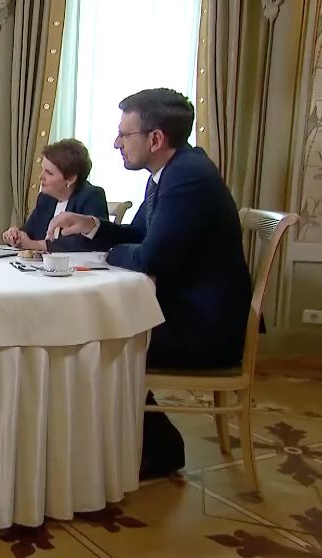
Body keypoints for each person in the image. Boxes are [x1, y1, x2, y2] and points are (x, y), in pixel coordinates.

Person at [47, 88, 252, 479]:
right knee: (91, 332)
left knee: (91, 341)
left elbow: (150, 257)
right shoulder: (170, 172)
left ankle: (157, 447)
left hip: (204, 329)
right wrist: (91, 226)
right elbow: (140, 235)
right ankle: (138, 443)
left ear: (155, 139)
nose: (116, 143)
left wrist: (106, 254)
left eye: (124, 135)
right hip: (187, 313)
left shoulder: (187, 178)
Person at [2, 139, 110, 252]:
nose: (40, 177)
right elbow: (28, 232)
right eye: (42, 170)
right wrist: (16, 235)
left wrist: (37, 245)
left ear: (70, 178)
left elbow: (90, 242)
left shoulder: (91, 196)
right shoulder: (45, 198)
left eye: (49, 173)